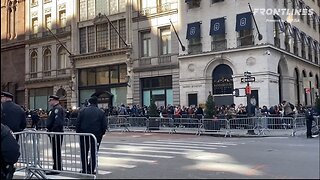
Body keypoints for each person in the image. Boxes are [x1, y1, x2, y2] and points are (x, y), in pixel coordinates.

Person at [76, 96, 107, 174]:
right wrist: (101, 133)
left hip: (84, 134)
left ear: (89, 102)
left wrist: (78, 132)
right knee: (94, 152)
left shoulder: (82, 111)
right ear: (96, 103)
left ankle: (85, 168)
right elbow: (104, 125)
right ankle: (91, 169)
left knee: (84, 152)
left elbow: (78, 123)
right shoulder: (101, 112)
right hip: (96, 135)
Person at [46, 95, 65, 175]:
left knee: (56, 150)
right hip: (54, 133)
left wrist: (53, 131)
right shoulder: (55, 109)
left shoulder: (57, 109)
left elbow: (58, 122)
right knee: (55, 150)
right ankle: (58, 166)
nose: (49, 102)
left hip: (56, 133)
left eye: (50, 100)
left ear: (54, 100)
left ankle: (56, 168)